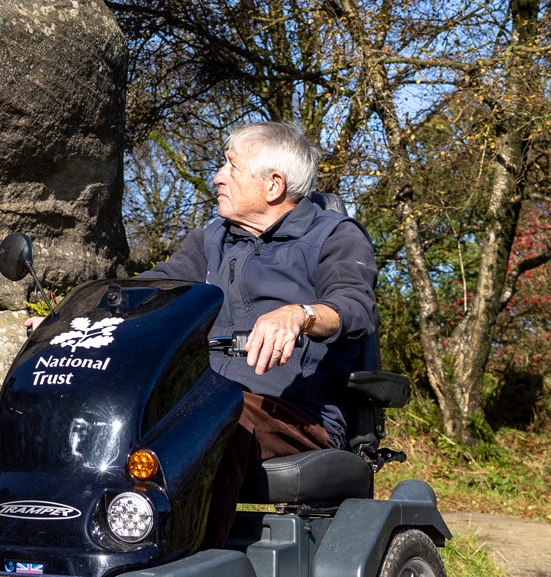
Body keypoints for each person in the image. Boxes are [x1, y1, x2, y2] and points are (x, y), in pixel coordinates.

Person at [135, 121, 377, 539]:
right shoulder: (212, 241)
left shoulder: (335, 237)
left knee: (215, 418)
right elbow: (149, 291)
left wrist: (300, 314)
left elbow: (353, 308)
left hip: (297, 415)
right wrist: (77, 312)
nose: (217, 176)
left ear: (273, 185)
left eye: (231, 166)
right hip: (209, 400)